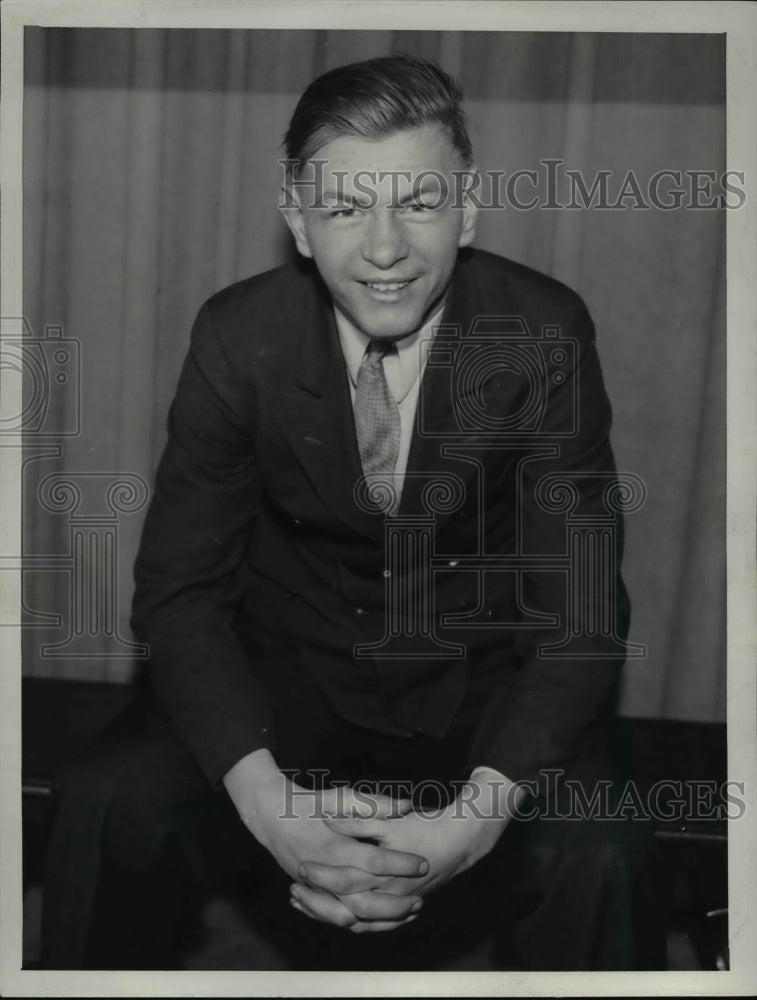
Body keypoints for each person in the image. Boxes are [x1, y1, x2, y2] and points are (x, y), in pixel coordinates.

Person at [41, 54, 665, 971]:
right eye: (342, 209)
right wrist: (270, 808)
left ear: (469, 207)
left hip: (480, 682)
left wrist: (477, 820)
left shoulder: (543, 332)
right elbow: (179, 595)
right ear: (295, 220)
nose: (383, 248)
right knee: (108, 802)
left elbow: (579, 619)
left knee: (603, 852)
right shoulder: (236, 335)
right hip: (287, 679)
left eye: (417, 202)